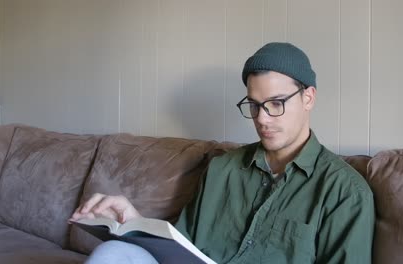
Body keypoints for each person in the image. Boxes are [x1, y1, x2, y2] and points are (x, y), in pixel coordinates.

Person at [70, 42, 375, 264]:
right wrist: (134, 223)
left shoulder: (345, 192)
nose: (262, 118)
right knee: (112, 254)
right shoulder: (222, 170)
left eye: (276, 103)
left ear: (308, 98)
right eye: (254, 105)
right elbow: (181, 249)